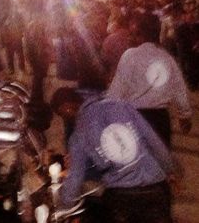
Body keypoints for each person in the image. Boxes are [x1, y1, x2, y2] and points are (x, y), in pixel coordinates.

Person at [51, 87, 174, 223]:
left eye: (62, 115)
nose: (66, 120)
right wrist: (169, 170)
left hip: (121, 198)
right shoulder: (119, 105)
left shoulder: (79, 134)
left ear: (67, 108)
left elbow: (75, 177)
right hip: (154, 186)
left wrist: (63, 207)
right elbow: (153, 140)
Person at [108, 12, 192, 146]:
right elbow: (179, 89)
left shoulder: (130, 56)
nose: (130, 37)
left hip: (135, 119)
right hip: (160, 121)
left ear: (141, 34)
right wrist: (184, 115)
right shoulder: (167, 58)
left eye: (133, 33)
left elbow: (117, 90)